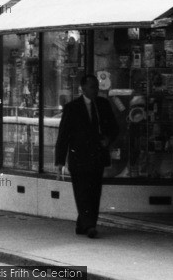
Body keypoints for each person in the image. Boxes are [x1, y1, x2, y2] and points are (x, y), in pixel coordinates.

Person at [55, 74, 119, 238]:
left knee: (94, 191)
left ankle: (84, 222)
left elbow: (114, 127)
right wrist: (60, 161)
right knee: (82, 191)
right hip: (79, 157)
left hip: (97, 155)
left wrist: (108, 139)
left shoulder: (103, 105)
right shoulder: (72, 108)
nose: (95, 90)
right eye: (92, 87)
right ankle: (89, 225)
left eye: (97, 87)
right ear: (83, 88)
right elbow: (63, 136)